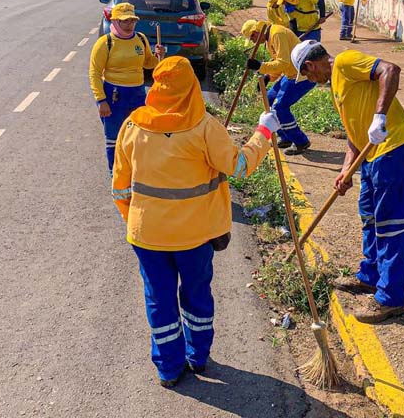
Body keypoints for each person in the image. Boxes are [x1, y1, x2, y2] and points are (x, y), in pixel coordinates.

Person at [112, 56, 280, 387]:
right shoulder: (204, 128)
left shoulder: (132, 127)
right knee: (197, 296)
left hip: (147, 237)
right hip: (195, 237)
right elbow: (241, 166)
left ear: (155, 86)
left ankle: (169, 368)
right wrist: (263, 131)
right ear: (192, 88)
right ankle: (197, 356)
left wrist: (135, 222)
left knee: (159, 300)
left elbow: (119, 188)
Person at [291, 40, 404, 324]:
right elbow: (354, 133)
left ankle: (390, 299)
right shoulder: (336, 87)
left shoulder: (346, 62)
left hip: (393, 146)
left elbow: (391, 69)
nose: (311, 80)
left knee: (389, 225)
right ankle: (370, 275)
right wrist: (346, 169)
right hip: (372, 154)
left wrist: (380, 117)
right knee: (369, 216)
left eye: (308, 75)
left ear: (310, 66)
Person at [89, 2, 164, 173]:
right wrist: (101, 101)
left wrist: (158, 55)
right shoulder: (105, 43)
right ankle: (115, 174)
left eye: (132, 20)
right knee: (114, 139)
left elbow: (148, 64)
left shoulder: (140, 39)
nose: (129, 25)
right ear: (115, 21)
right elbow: (94, 74)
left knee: (138, 135)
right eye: (125, 21)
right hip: (114, 95)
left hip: (137, 94)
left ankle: (133, 171)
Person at [242, 19, 315, 155]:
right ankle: (285, 136)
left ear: (256, 33)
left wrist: (261, 66)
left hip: (302, 76)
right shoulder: (270, 38)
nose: (253, 42)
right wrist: (269, 77)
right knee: (269, 99)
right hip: (290, 74)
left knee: (280, 107)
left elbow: (283, 62)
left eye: (252, 38)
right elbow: (280, 62)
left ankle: (300, 141)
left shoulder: (277, 33)